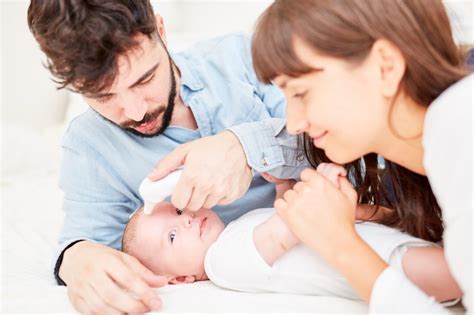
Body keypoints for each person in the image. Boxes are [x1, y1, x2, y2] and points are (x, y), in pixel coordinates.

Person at [27, 1, 307, 314]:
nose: (135, 112)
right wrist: (77, 261)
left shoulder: (240, 59)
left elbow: (336, 145)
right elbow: (83, 239)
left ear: (161, 31)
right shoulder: (89, 147)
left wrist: (245, 147)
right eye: (103, 96)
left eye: (143, 80)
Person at [244, 0, 471, 313]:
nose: (294, 123)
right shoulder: (440, 145)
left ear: (385, 67)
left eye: (300, 93)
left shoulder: (463, 125)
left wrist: (340, 244)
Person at [121, 165, 461, 303]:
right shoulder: (220, 262)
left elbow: (276, 224)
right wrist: (319, 187)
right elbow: (283, 231)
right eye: (172, 237)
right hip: (384, 267)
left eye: (179, 211)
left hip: (377, 242)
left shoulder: (237, 229)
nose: (188, 220)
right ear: (180, 279)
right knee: (459, 275)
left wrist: (283, 187)